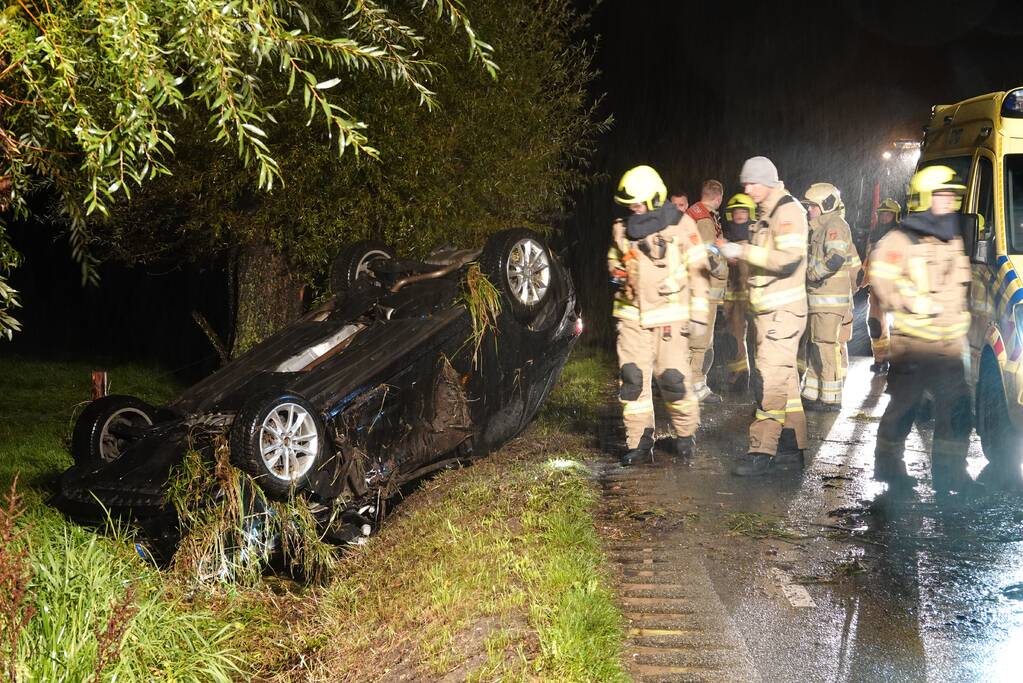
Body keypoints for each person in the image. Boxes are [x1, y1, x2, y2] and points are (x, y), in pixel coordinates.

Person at [868, 166, 975, 494]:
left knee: (956, 411)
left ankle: (952, 474)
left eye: (953, 196)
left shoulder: (951, 236)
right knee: (904, 407)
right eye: (943, 195)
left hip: (948, 345)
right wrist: (916, 302)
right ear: (926, 198)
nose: (951, 202)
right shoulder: (901, 238)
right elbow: (882, 281)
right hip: (913, 343)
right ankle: (889, 469)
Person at [608, 165, 711, 466]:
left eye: (637, 203)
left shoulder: (681, 226)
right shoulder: (621, 227)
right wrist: (616, 272)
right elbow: (614, 260)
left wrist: (700, 317)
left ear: (654, 198)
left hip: (669, 316)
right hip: (631, 317)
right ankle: (639, 441)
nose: (632, 209)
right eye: (629, 204)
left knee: (674, 380)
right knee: (632, 379)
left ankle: (685, 434)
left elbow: (699, 271)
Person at [718, 157, 808, 476]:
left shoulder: (787, 211)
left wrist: (741, 251)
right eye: (744, 183)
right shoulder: (767, 213)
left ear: (768, 181)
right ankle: (791, 447)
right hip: (771, 311)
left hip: (783, 313)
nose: (746, 189)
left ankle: (762, 451)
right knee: (785, 382)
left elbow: (788, 260)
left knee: (769, 380)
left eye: (751, 183)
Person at [800, 182, 853, 412]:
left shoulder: (835, 225)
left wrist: (812, 273)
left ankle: (831, 399)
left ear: (825, 205)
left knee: (825, 346)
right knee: (816, 346)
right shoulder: (819, 227)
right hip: (819, 297)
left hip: (829, 298)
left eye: (812, 206)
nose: (808, 210)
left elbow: (835, 258)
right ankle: (812, 393)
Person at [686, 180, 728, 403]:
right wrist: (723, 272)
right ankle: (697, 387)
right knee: (701, 341)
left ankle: (686, 385)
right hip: (705, 287)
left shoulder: (694, 213)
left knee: (693, 338)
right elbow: (709, 252)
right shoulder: (704, 219)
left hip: (693, 286)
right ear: (718, 198)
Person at [721, 193, 757, 391]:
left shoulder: (756, 236)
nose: (739, 215)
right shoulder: (726, 236)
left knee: (757, 337)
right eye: (736, 211)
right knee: (735, 337)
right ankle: (740, 375)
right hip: (734, 296)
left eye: (743, 211)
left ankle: (759, 375)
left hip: (753, 296)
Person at [862, 198, 901, 373]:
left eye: (888, 214)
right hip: (876, 290)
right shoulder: (874, 235)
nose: (885, 217)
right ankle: (880, 360)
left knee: (899, 327)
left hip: (896, 289)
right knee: (875, 325)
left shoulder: (901, 236)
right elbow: (868, 262)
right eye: (882, 214)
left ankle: (899, 362)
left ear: (895, 216)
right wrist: (860, 281)